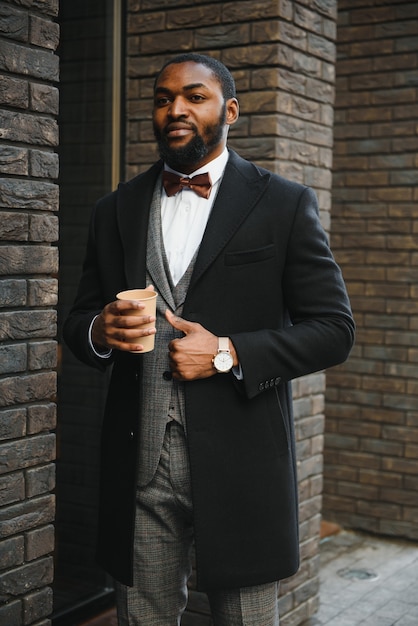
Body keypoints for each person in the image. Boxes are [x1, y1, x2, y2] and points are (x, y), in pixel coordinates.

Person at [63, 53, 355, 626]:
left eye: (195, 97)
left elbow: (334, 331)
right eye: (163, 98)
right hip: (139, 464)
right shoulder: (114, 209)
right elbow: (77, 321)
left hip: (242, 463)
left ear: (231, 110)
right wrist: (99, 329)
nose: (175, 109)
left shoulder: (284, 203)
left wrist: (229, 352)